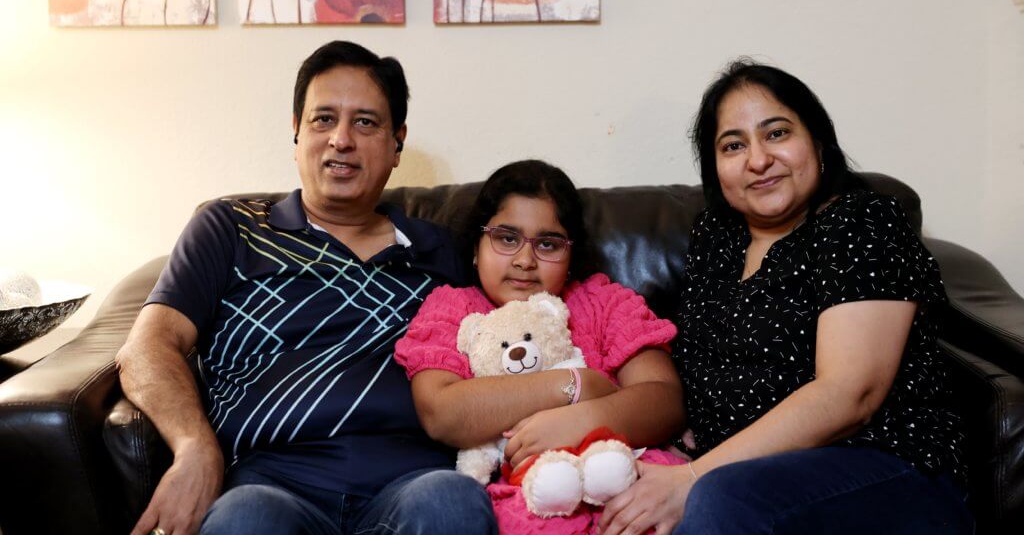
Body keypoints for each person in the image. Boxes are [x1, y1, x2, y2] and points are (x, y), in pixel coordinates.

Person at [115, 41, 496, 535]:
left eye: (366, 122)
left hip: (414, 480)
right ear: (295, 132)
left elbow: (538, 338)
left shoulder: (444, 251)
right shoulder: (231, 228)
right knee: (245, 518)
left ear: (397, 142)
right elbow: (147, 347)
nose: (341, 139)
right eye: (322, 119)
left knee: (452, 502)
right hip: (271, 482)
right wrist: (194, 447)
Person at [598, 60, 973, 535]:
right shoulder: (716, 236)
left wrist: (693, 477)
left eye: (776, 134)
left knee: (721, 499)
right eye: (733, 145)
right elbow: (693, 368)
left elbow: (848, 395)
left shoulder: (862, 223)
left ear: (817, 142)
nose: (757, 160)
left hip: (884, 468)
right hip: (739, 472)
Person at [394, 159, 687, 534]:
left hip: (625, 483)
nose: (524, 260)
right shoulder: (452, 309)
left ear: (571, 254)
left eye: (547, 244)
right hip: (528, 499)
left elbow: (664, 401)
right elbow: (443, 412)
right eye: (506, 237)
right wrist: (575, 385)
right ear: (476, 245)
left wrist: (578, 421)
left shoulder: (602, 301)